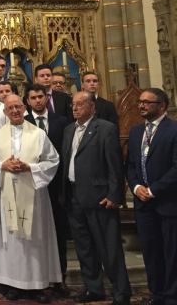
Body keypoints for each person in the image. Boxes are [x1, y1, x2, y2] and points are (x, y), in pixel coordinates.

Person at [61, 92, 131, 305]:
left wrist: (114, 194)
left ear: (92, 106)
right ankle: (94, 288)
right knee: (85, 248)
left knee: (109, 248)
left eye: (80, 104)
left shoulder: (105, 129)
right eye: (73, 105)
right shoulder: (69, 130)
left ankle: (121, 292)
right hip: (74, 197)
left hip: (100, 198)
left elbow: (114, 165)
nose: (75, 108)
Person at [0, 94, 61, 302]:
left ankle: (37, 284)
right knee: (12, 241)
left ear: (24, 108)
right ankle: (13, 284)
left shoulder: (38, 134)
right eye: (10, 108)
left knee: (34, 239)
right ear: (4, 112)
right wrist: (3, 166)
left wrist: (31, 167)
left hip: (33, 195)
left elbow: (53, 161)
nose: (14, 111)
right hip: (7, 195)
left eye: (18, 107)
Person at [127, 88, 177, 305]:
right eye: (140, 102)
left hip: (167, 203)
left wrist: (154, 189)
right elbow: (130, 165)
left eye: (147, 102)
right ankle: (156, 293)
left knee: (171, 252)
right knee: (151, 251)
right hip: (143, 204)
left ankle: (172, 295)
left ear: (162, 105)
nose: (142, 106)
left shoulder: (173, 130)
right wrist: (136, 186)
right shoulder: (136, 131)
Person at [25, 84, 69, 288]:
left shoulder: (61, 122)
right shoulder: (23, 123)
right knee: (34, 233)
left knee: (58, 232)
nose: (37, 101)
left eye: (40, 97)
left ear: (46, 98)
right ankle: (36, 275)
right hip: (31, 186)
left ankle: (59, 276)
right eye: (33, 98)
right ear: (28, 101)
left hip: (56, 185)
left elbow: (65, 154)